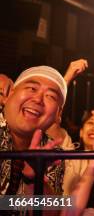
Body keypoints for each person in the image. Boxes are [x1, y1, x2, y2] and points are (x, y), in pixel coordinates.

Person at [0, 66, 67, 199]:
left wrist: (34, 178)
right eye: (32, 88)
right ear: (10, 95)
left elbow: (52, 213)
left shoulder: (52, 154)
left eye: (51, 96)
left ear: (58, 114)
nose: (38, 99)